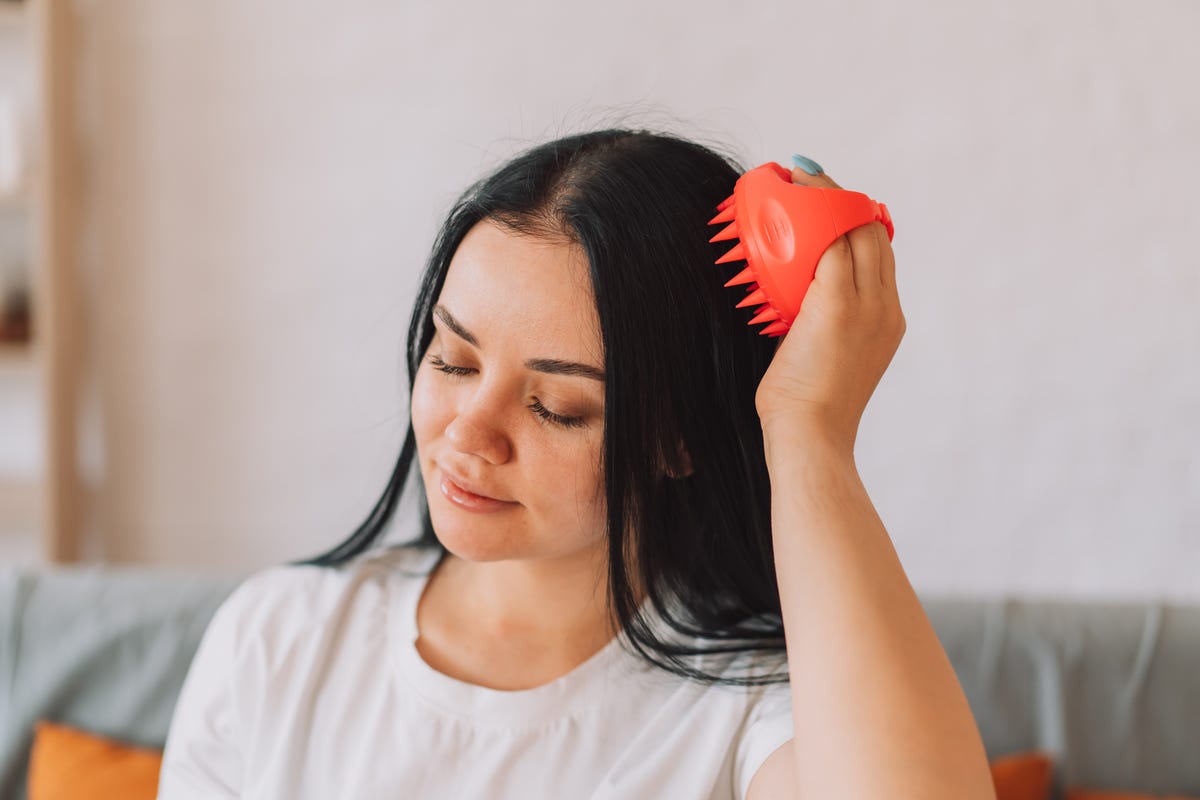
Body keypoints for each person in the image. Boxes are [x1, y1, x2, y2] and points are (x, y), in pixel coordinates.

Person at [157, 129, 996, 799]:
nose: (469, 433)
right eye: (453, 360)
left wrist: (808, 428)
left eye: (557, 407)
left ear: (681, 440)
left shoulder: (756, 706)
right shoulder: (280, 639)